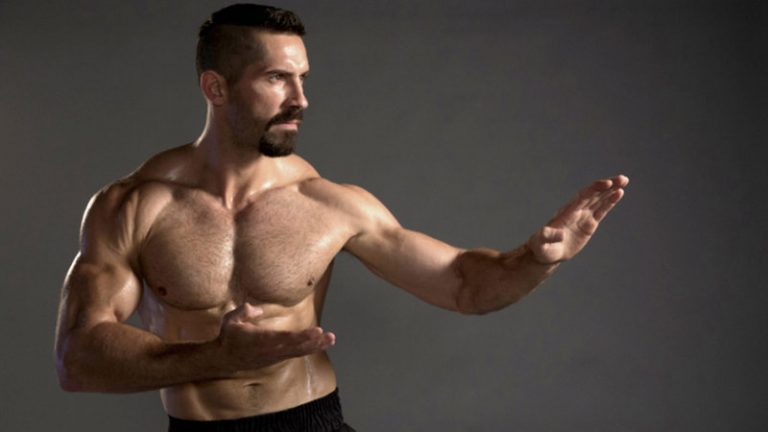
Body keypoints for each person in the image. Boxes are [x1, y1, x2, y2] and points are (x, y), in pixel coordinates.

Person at [54, 4, 628, 432]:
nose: (300, 99)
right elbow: (77, 359)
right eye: (277, 78)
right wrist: (216, 359)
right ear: (216, 87)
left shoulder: (328, 203)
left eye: (303, 78)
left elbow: (463, 284)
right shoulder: (134, 206)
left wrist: (534, 262)